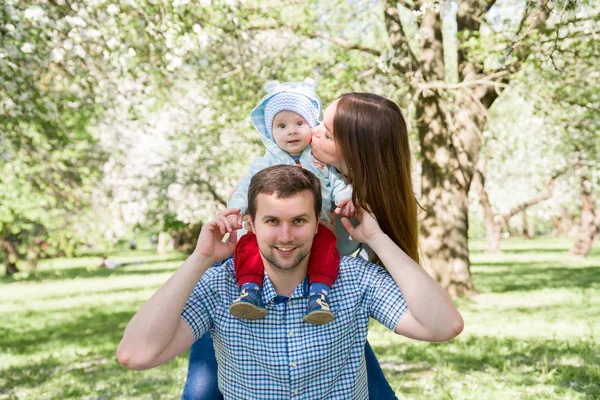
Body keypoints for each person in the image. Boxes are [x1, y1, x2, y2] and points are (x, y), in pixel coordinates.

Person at [117, 165, 464, 399]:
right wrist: (200, 259)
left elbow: (443, 326)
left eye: (299, 220)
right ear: (251, 224)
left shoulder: (353, 278)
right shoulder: (221, 285)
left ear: (318, 223)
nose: (286, 236)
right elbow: (136, 355)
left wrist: (376, 238)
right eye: (272, 221)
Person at [181, 92, 437, 399]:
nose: (312, 130)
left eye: (325, 133)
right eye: (318, 123)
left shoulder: (362, 201)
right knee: (204, 389)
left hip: (322, 296)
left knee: (365, 382)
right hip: (251, 285)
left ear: (354, 154)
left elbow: (390, 287)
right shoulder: (292, 168)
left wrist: (371, 240)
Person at [227, 79, 352, 325]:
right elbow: (244, 188)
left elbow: (337, 184)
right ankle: (250, 288)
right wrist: (236, 209)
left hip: (317, 226)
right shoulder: (265, 161)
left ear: (312, 126)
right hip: (271, 227)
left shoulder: (320, 161)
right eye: (281, 126)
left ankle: (319, 293)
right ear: (270, 132)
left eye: (299, 123)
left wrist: (347, 199)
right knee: (248, 245)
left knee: (326, 247)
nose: (291, 131)